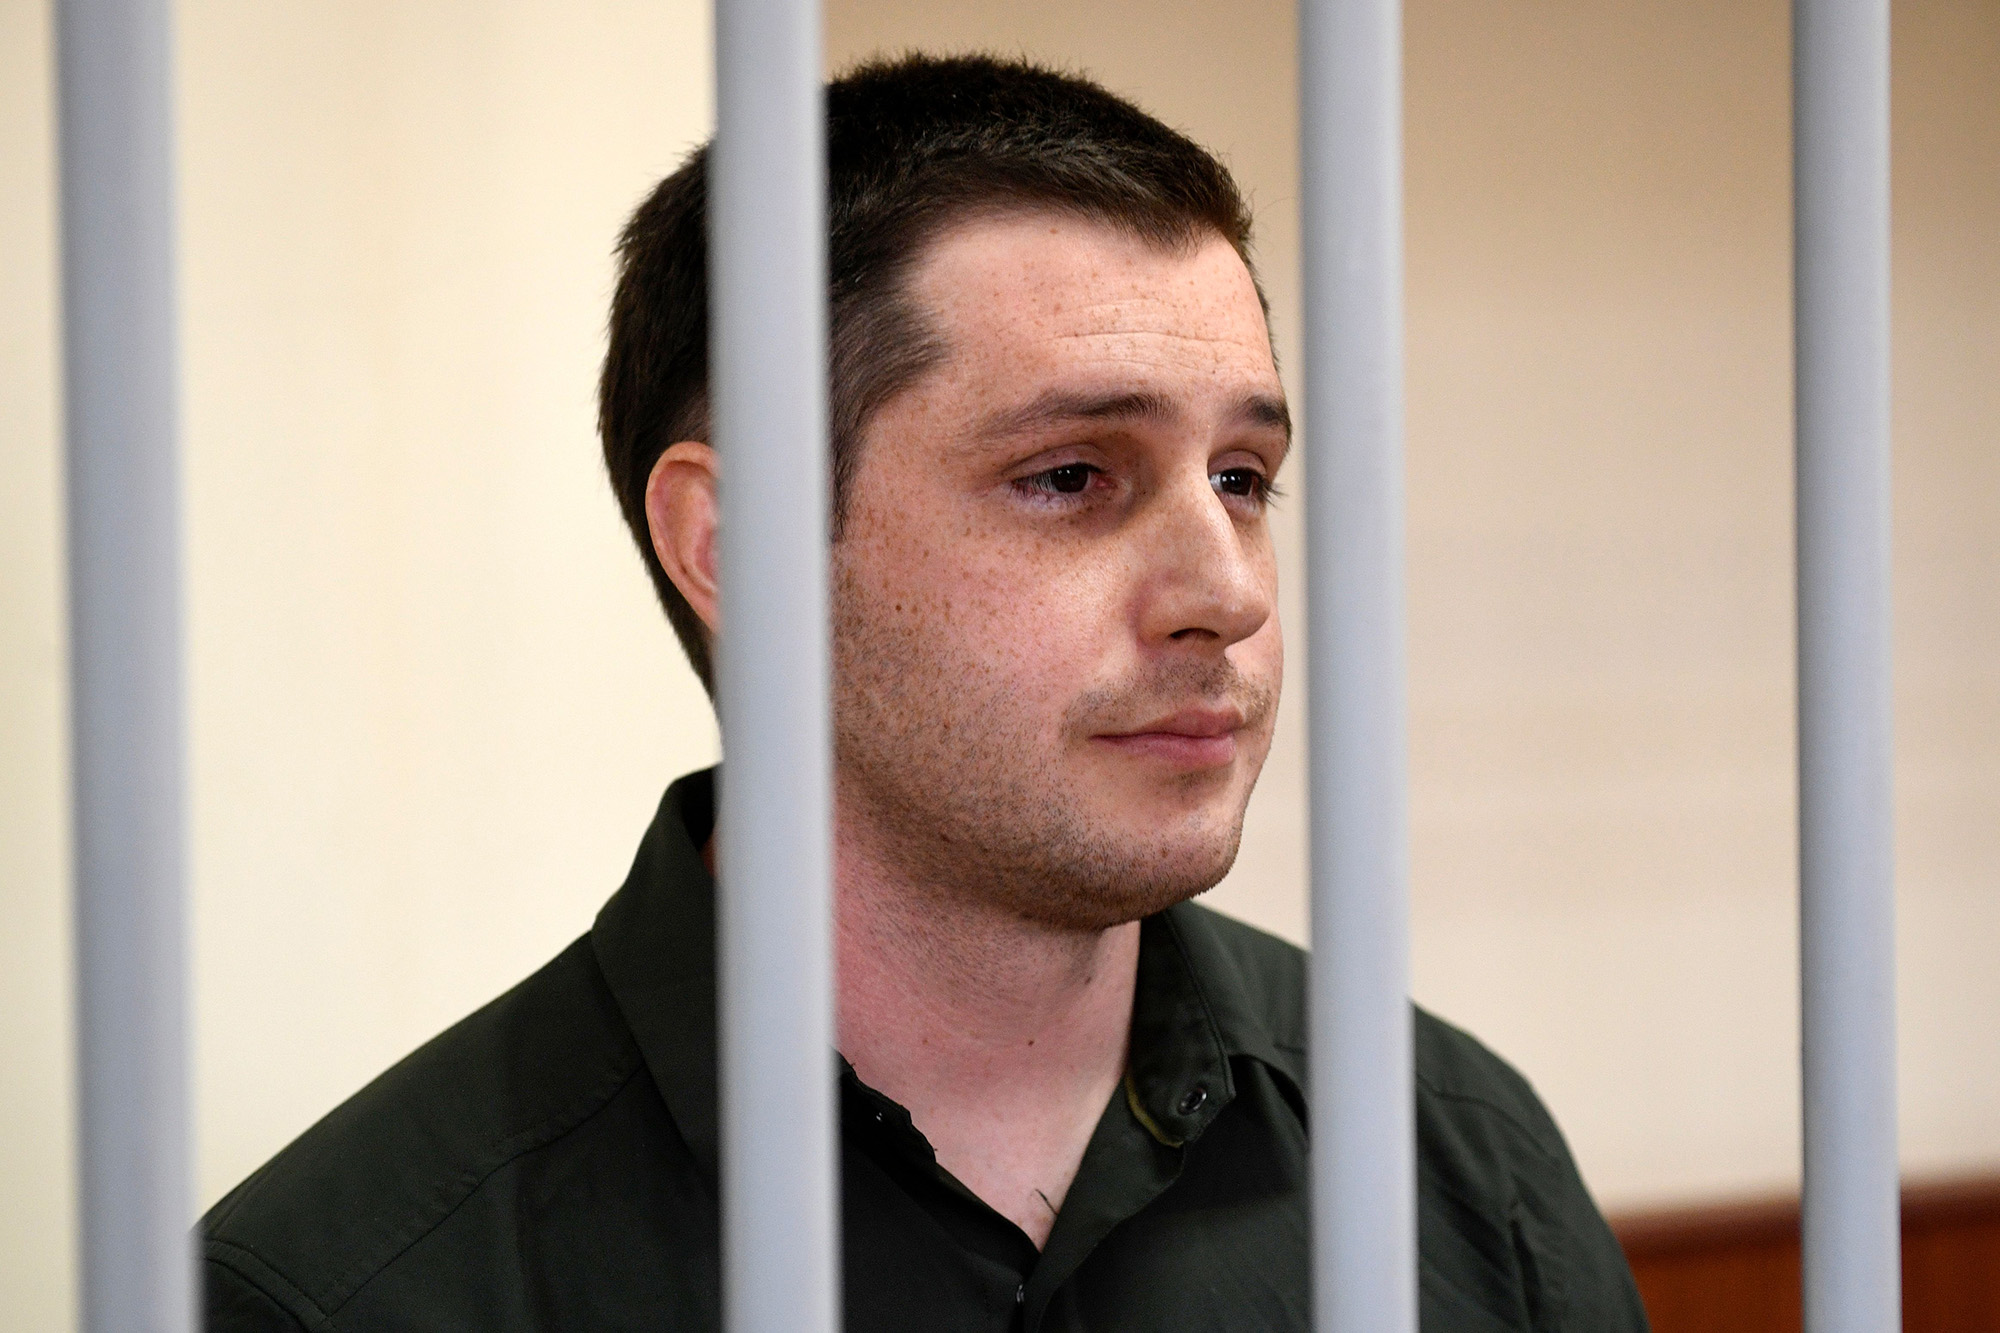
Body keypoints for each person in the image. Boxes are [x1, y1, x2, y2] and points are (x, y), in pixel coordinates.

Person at [201, 54, 1649, 1332]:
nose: (1231, 591)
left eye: (1244, 478)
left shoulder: (1455, 1161)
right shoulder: (349, 1289)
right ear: (736, 545)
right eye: (1073, 476)